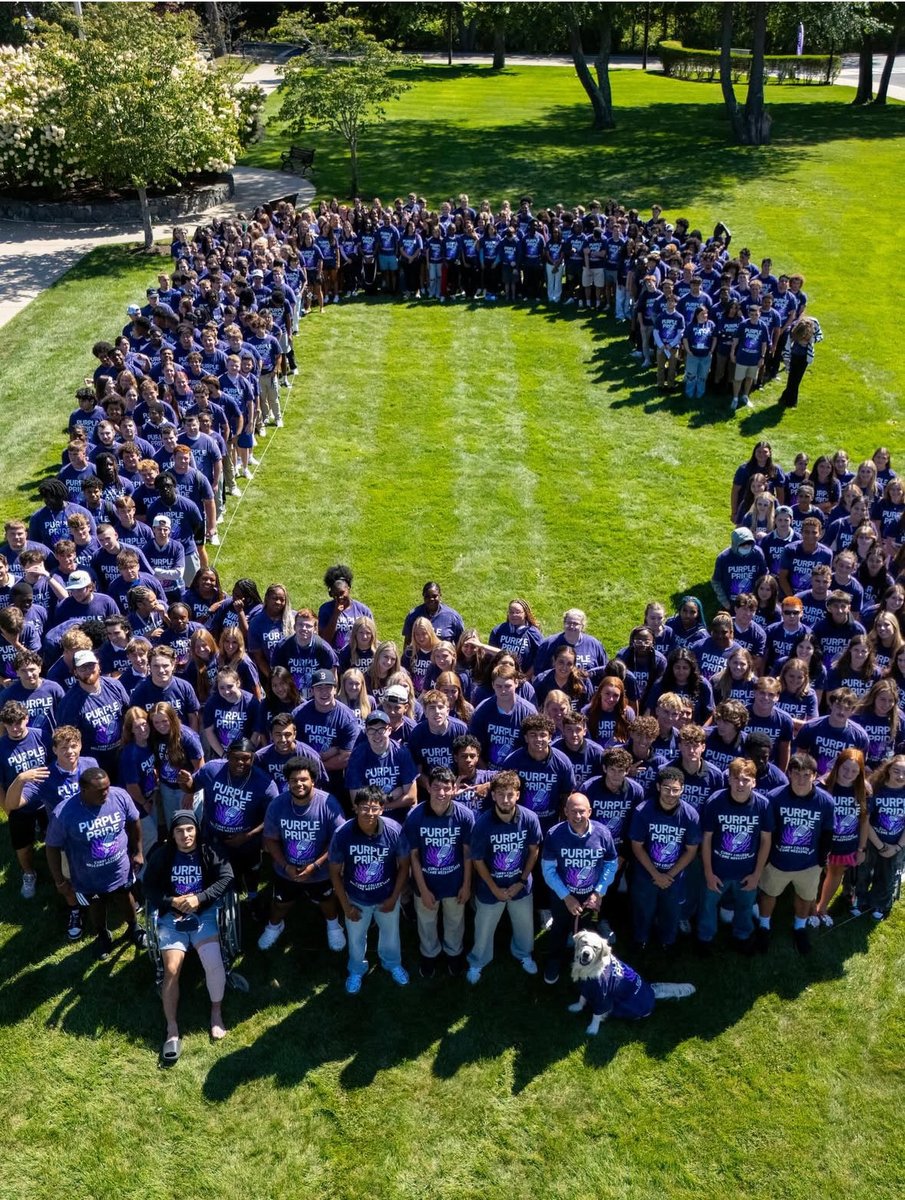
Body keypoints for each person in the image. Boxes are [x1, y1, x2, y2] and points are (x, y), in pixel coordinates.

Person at [143, 810, 234, 1061]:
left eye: (190, 829)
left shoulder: (209, 852)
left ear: (197, 829)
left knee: (213, 961)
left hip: (203, 915)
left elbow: (227, 877)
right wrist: (172, 901)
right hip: (172, 918)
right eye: (180, 831)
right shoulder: (163, 856)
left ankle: (216, 1012)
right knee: (172, 970)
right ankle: (172, 1028)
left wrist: (199, 898)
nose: (186, 835)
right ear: (172, 834)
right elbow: (148, 888)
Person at [44, 767, 146, 959]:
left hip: (120, 869)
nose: (106, 793)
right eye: (100, 791)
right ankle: (102, 936)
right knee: (96, 906)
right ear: (83, 790)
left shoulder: (119, 796)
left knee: (126, 897)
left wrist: (138, 852)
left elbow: (135, 821)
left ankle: (134, 927)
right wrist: (59, 880)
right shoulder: (64, 813)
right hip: (88, 877)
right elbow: (51, 847)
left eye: (107, 787)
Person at [258, 755, 347, 953]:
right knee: (280, 902)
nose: (299, 784)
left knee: (327, 900)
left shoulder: (328, 803)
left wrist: (315, 866)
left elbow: (338, 839)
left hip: (321, 870)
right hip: (286, 869)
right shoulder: (278, 804)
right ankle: (274, 926)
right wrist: (285, 865)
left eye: (303, 779)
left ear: (313, 780)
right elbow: (270, 839)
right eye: (293, 780)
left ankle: (333, 925)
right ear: (287, 782)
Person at [328, 785, 410, 993]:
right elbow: (334, 872)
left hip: (386, 896)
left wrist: (394, 898)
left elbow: (404, 866)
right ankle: (356, 969)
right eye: (364, 808)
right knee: (356, 938)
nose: (369, 813)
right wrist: (346, 906)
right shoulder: (343, 833)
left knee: (391, 934)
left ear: (382, 809)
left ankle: (392, 963)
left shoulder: (393, 830)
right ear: (355, 808)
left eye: (374, 808)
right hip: (356, 897)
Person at [465, 769, 542, 985]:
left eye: (510, 794)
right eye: (501, 794)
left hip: (520, 886)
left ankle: (523, 953)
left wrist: (521, 881)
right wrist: (494, 889)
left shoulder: (529, 818)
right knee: (483, 928)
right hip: (490, 888)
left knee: (525, 926)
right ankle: (478, 961)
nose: (506, 799)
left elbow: (534, 850)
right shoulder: (482, 824)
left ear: (518, 795)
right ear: (493, 795)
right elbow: (477, 859)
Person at [179, 738, 278, 900]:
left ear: (252, 758)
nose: (240, 762)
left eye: (246, 758)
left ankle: (253, 897)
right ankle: (228, 895)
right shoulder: (212, 770)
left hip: (247, 839)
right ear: (228, 756)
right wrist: (185, 782)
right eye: (235, 757)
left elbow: (273, 817)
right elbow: (192, 787)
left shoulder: (265, 783)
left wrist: (247, 836)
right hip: (213, 835)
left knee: (251, 869)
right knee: (217, 870)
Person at [756, 753, 834, 955]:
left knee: (805, 897)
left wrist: (820, 860)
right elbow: (767, 833)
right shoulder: (773, 797)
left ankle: (799, 927)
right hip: (777, 862)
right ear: (788, 773)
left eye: (806, 775)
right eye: (796, 774)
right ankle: (764, 926)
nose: (801, 779)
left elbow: (827, 832)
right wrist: (767, 859)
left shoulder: (825, 801)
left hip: (808, 863)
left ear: (815, 775)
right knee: (768, 894)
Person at [402, 765, 475, 978]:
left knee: (455, 920)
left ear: (454, 789)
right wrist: (423, 889)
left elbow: (467, 853)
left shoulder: (464, 815)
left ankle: (454, 953)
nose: (441, 793)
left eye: (446, 788)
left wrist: (466, 885)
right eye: (436, 788)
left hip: (455, 882)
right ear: (428, 787)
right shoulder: (415, 816)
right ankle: (429, 954)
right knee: (426, 922)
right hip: (426, 881)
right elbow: (413, 856)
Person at [540, 792, 618, 984]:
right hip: (562, 893)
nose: (577, 816)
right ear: (565, 811)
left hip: (591, 894)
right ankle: (554, 960)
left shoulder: (603, 833)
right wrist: (566, 897)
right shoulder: (554, 834)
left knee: (589, 933)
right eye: (573, 811)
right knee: (559, 928)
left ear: (589, 811)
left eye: (582, 811)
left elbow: (611, 863)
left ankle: (588, 967)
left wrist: (599, 892)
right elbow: (548, 869)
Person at [697, 758, 773, 954]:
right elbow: (706, 839)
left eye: (746, 779)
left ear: (754, 782)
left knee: (745, 907)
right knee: (707, 907)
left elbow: (766, 840)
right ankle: (705, 939)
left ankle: (742, 936)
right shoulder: (715, 802)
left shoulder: (763, 805)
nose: (740, 784)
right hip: (717, 870)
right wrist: (708, 872)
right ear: (728, 779)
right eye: (736, 778)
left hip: (746, 872)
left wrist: (757, 874)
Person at [628, 766, 701, 951]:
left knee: (671, 910)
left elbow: (691, 850)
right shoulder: (643, 811)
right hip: (646, 872)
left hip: (674, 874)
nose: (671, 793)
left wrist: (668, 875)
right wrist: (655, 874)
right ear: (659, 787)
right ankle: (640, 939)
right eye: (667, 788)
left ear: (682, 789)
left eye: (675, 789)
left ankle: (668, 941)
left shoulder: (690, 814)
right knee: (643, 908)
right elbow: (637, 846)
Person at [815, 749, 870, 926]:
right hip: (819, 843)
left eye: (854, 771)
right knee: (813, 877)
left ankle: (821, 908)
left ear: (860, 772)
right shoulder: (821, 786)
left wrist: (861, 848)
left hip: (846, 844)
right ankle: (807, 909)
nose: (849, 774)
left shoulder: (863, 790)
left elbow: (864, 821)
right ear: (837, 766)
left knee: (835, 873)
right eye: (845, 769)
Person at [853, 755, 905, 920]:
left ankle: (880, 903)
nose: (901, 776)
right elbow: (865, 820)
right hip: (872, 839)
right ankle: (859, 900)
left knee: (887, 874)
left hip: (897, 843)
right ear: (888, 769)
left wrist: (897, 847)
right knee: (863, 872)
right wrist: (880, 845)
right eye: (896, 771)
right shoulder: (875, 789)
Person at [779, 315, 823, 409]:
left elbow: (820, 336)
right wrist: (786, 360)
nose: (803, 339)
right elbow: (787, 344)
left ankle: (789, 401)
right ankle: (789, 400)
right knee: (792, 378)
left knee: (797, 379)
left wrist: (811, 340)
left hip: (805, 356)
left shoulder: (814, 323)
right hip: (795, 353)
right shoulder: (794, 327)